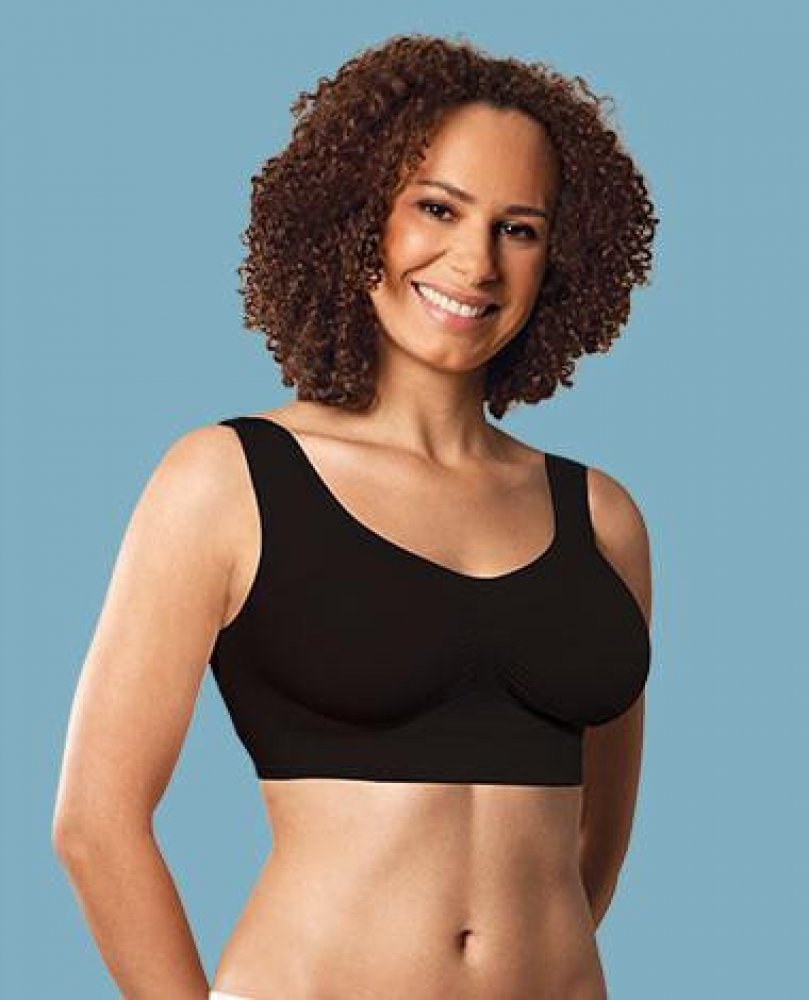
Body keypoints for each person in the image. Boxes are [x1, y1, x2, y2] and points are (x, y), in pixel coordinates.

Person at [52, 32, 658, 1000]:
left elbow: (599, 834)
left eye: (518, 228)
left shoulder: (601, 518)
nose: (474, 261)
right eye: (436, 208)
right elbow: (96, 821)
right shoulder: (227, 480)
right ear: (353, 214)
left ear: (560, 258)